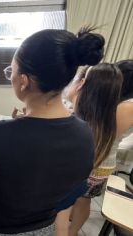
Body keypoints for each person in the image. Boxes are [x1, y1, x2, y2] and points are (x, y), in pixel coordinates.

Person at [0, 27, 105, 235]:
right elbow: (69, 187)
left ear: (23, 81)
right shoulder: (85, 135)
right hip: (43, 227)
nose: (10, 76)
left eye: (11, 71)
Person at [59, 63, 123, 236]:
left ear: (81, 84)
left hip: (87, 167)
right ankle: (73, 232)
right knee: (84, 201)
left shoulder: (79, 117)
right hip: (104, 166)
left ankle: (64, 232)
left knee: (65, 205)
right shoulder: (107, 111)